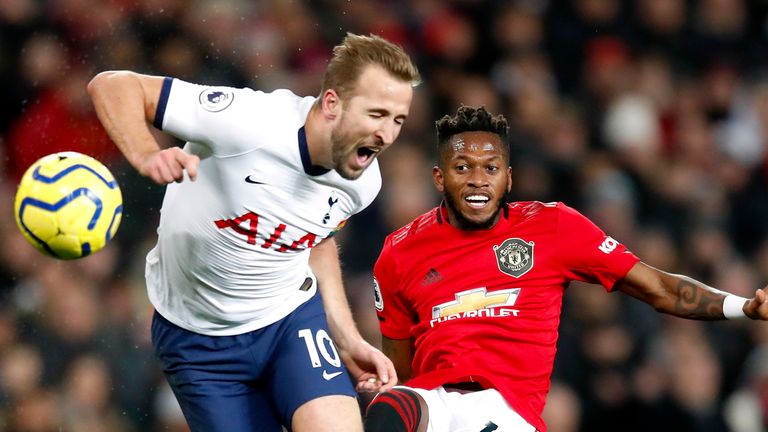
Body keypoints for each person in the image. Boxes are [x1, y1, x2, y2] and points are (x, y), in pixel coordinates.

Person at [87, 33, 420, 432]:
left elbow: (314, 241)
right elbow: (112, 85)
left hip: (289, 323)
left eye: (397, 119)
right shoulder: (248, 122)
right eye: (377, 114)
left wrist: (346, 336)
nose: (388, 134)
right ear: (332, 103)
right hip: (199, 342)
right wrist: (146, 152)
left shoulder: (362, 183)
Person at [363, 105, 768, 432]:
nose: (477, 180)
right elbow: (400, 367)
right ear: (439, 177)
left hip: (506, 410)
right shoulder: (399, 252)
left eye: (490, 168)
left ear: (508, 178)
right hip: (431, 401)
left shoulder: (552, 226)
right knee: (391, 404)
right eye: (462, 167)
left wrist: (743, 306)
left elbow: (661, 288)